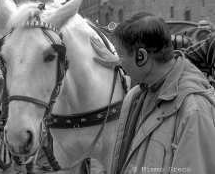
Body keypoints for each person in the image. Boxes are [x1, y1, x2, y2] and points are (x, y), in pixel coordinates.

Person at [90, 12, 215, 174]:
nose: (120, 63)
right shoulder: (134, 96)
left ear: (141, 56)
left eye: (120, 55)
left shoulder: (193, 110)